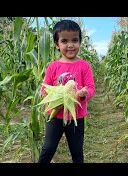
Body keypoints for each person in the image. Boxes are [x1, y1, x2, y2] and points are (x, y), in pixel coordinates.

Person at [38, 19, 95, 163]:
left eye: (75, 40)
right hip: (55, 116)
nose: (70, 45)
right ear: (57, 44)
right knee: (48, 149)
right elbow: (45, 89)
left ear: (80, 42)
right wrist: (48, 95)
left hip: (76, 118)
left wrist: (83, 94)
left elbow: (91, 88)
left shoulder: (84, 66)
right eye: (64, 41)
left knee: (77, 152)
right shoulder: (53, 67)